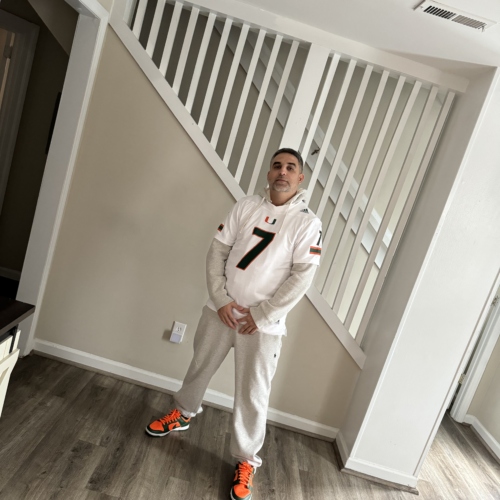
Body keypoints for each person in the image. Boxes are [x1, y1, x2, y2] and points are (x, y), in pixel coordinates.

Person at [146, 148, 322, 500]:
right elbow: (217, 252)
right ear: (268, 173)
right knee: (199, 366)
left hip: (262, 326)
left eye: (290, 168)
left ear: (300, 178)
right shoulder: (246, 206)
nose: (282, 172)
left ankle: (246, 459)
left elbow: (302, 277)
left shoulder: (308, 223)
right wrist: (221, 299)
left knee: (253, 393)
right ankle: (182, 413)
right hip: (220, 311)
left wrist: (262, 315)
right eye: (277, 166)